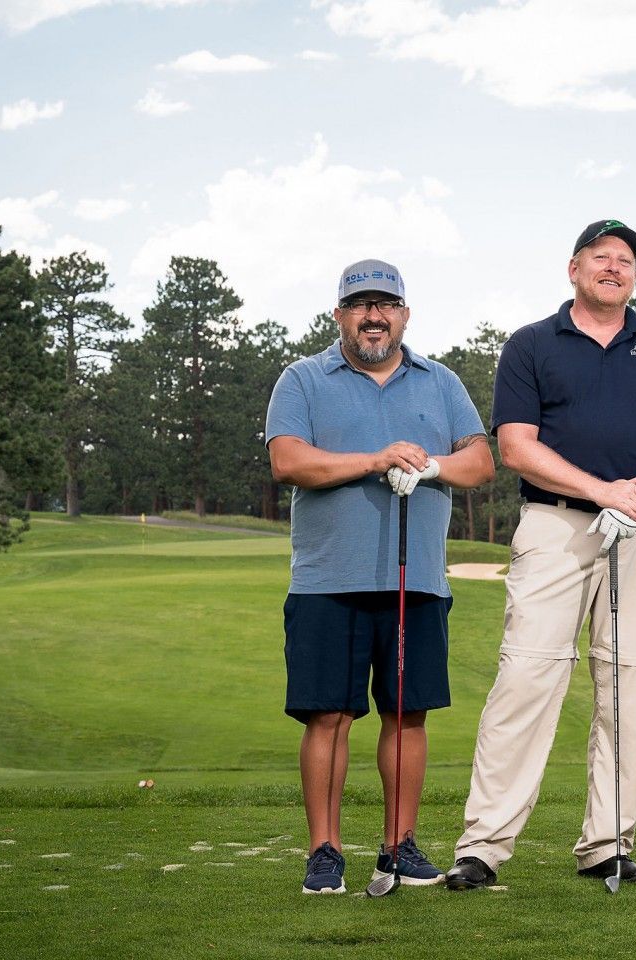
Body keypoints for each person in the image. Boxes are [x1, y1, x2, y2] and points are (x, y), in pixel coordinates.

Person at [444, 220, 636, 891]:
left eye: (625, 260)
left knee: (627, 683)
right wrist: (602, 491)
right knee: (526, 678)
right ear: (573, 268)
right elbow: (516, 446)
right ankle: (484, 847)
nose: (614, 267)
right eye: (600, 257)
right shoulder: (531, 344)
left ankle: (607, 844)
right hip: (556, 525)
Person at [266, 258, 494, 893]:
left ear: (405, 314)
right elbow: (288, 460)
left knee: (407, 713)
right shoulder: (303, 378)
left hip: (415, 580)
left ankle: (399, 845)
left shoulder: (440, 380)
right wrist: (375, 459)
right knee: (329, 717)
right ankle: (325, 851)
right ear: (340, 314)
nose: (374, 316)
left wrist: (430, 468)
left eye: (386, 304)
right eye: (361, 305)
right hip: (325, 580)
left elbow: (480, 462)